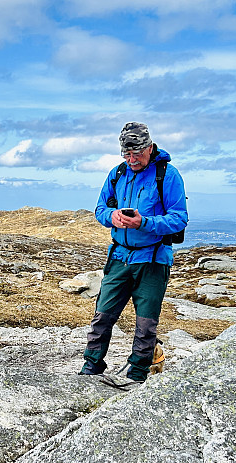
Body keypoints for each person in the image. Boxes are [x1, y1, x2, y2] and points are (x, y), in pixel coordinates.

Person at [80, 122, 188, 390]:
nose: (132, 160)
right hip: (119, 258)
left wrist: (144, 223)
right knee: (102, 315)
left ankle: (138, 373)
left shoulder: (167, 174)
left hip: (152, 260)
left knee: (146, 322)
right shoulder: (117, 174)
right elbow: (100, 209)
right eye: (127, 155)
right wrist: (111, 217)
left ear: (150, 148)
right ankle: (91, 365)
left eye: (137, 153)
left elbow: (179, 218)